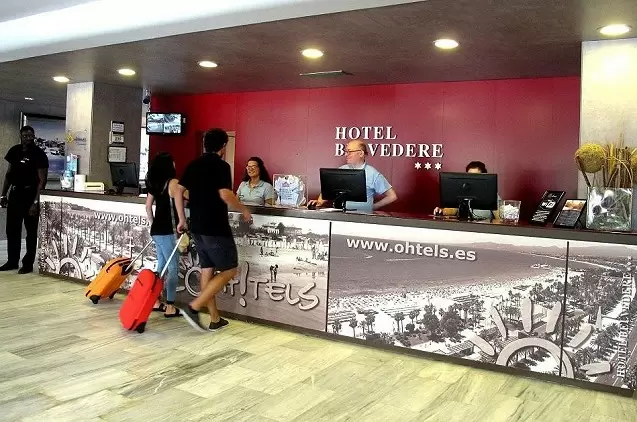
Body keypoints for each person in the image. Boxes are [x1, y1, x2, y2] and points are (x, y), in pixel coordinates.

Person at [174, 128, 252, 332]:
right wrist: (243, 209)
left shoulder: (194, 164)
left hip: (197, 227)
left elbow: (178, 191)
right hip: (215, 227)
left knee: (207, 269)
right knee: (229, 270)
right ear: (223, 146)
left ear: (204, 144)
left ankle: (215, 319)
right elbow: (225, 194)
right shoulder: (222, 166)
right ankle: (194, 307)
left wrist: (181, 218)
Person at [0, 125, 48, 274]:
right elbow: (9, 175)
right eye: (25, 136)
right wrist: (3, 194)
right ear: (20, 136)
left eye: (30, 136)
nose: (28, 138)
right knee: (12, 230)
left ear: (34, 136)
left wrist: (35, 202)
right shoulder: (14, 151)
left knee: (31, 232)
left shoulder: (39, 154)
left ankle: (28, 263)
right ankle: (12, 261)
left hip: (30, 196)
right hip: (15, 194)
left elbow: (42, 181)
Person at [308, 140, 397, 212]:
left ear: (361, 153)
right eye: (346, 152)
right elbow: (329, 190)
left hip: (364, 219)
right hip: (342, 216)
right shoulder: (342, 170)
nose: (346, 154)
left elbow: (392, 196)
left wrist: (373, 207)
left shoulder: (373, 173)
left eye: (349, 152)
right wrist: (319, 202)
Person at [144, 152, 183, 318]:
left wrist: (154, 224)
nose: (175, 165)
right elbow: (181, 205)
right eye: (173, 162)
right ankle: (170, 306)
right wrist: (183, 222)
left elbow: (148, 207)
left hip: (156, 231)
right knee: (173, 267)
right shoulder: (173, 183)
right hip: (168, 231)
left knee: (161, 266)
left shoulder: (154, 184)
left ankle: (155, 301)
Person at [434, 161, 500, 219]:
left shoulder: (491, 195)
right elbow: (452, 210)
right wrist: (442, 211)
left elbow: (500, 218)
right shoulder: (461, 192)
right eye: (470, 176)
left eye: (476, 177)